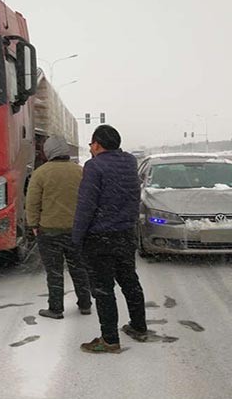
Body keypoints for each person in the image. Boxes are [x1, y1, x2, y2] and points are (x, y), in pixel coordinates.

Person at [73, 125, 148, 353]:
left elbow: (86, 206)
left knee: (104, 289)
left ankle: (109, 340)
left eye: (91, 144)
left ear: (97, 144)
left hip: (100, 237)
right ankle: (138, 326)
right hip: (125, 234)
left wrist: (77, 237)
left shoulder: (94, 166)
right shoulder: (129, 163)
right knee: (129, 282)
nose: (91, 148)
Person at [25, 135, 92, 319]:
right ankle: (85, 304)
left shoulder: (41, 173)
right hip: (76, 230)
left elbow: (32, 202)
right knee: (79, 268)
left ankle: (56, 308)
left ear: (48, 152)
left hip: (49, 231)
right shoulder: (80, 171)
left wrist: (33, 224)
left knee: (54, 272)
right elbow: (88, 200)